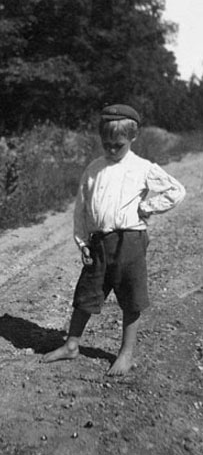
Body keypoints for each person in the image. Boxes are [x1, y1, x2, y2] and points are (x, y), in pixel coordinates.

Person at [43, 104, 185, 375]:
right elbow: (81, 209)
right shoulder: (94, 169)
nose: (111, 149)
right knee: (87, 293)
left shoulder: (143, 168)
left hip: (129, 241)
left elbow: (177, 191)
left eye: (117, 145)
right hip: (98, 242)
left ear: (133, 137)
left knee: (131, 296)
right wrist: (82, 241)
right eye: (106, 144)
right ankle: (72, 344)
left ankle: (126, 353)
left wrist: (148, 207)